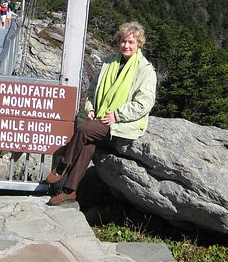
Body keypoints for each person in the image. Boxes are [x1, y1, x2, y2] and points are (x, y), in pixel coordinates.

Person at [46, 21, 157, 206]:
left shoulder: (145, 70)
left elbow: (144, 103)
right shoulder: (109, 63)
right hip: (101, 119)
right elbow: (92, 90)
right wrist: (90, 109)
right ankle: (69, 191)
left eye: (131, 42)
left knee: (83, 130)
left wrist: (118, 115)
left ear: (139, 44)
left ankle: (64, 164)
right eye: (123, 41)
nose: (126, 46)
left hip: (120, 124)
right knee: (87, 145)